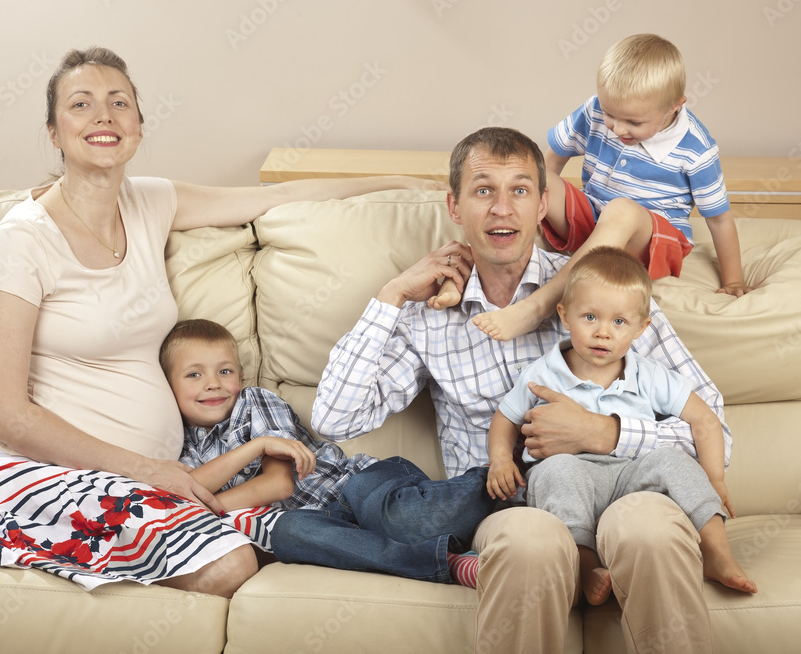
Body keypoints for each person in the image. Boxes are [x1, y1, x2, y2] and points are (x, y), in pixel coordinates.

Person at [0, 46, 442, 597]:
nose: (103, 117)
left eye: (119, 103)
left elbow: (277, 197)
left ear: (138, 125)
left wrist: (404, 184)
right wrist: (147, 468)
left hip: (146, 479)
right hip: (46, 475)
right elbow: (2, 412)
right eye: (81, 104)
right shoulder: (23, 238)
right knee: (231, 564)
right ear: (53, 130)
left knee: (279, 529)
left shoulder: (150, 202)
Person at [310, 126, 730, 652]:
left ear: (543, 204)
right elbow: (334, 419)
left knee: (649, 528)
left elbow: (714, 422)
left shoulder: (600, 291)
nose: (502, 209)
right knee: (530, 542)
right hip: (515, 508)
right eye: (484, 190)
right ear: (455, 206)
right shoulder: (429, 314)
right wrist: (390, 297)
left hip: (630, 489)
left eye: (520, 190)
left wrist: (606, 434)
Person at [436, 33, 751, 342]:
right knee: (537, 182)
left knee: (622, 211)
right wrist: (533, 199)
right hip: (596, 218)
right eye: (610, 115)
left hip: (651, 240)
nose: (617, 128)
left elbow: (719, 219)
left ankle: (537, 306)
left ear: (674, 107)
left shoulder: (696, 148)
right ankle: (464, 271)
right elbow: (550, 162)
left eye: (634, 123)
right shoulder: (595, 111)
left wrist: (734, 279)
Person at [487, 246, 756, 607]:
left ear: (642, 327)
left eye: (619, 322)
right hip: (573, 475)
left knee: (674, 461)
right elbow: (505, 417)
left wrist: (715, 478)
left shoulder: (649, 374)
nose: (603, 333)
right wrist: (501, 459)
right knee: (556, 471)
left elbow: (703, 419)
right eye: (589, 317)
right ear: (565, 316)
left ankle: (717, 553)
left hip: (631, 478)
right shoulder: (543, 373)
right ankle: (586, 567)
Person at [162, 318, 488, 585]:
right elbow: (192, 490)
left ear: (240, 376)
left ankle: (500, 482)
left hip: (358, 487)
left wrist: (208, 507)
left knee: (400, 518)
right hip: (322, 520)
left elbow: (279, 485)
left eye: (224, 371)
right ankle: (447, 561)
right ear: (168, 386)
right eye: (194, 374)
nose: (213, 383)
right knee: (288, 534)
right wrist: (256, 448)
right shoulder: (186, 447)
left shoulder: (253, 403)